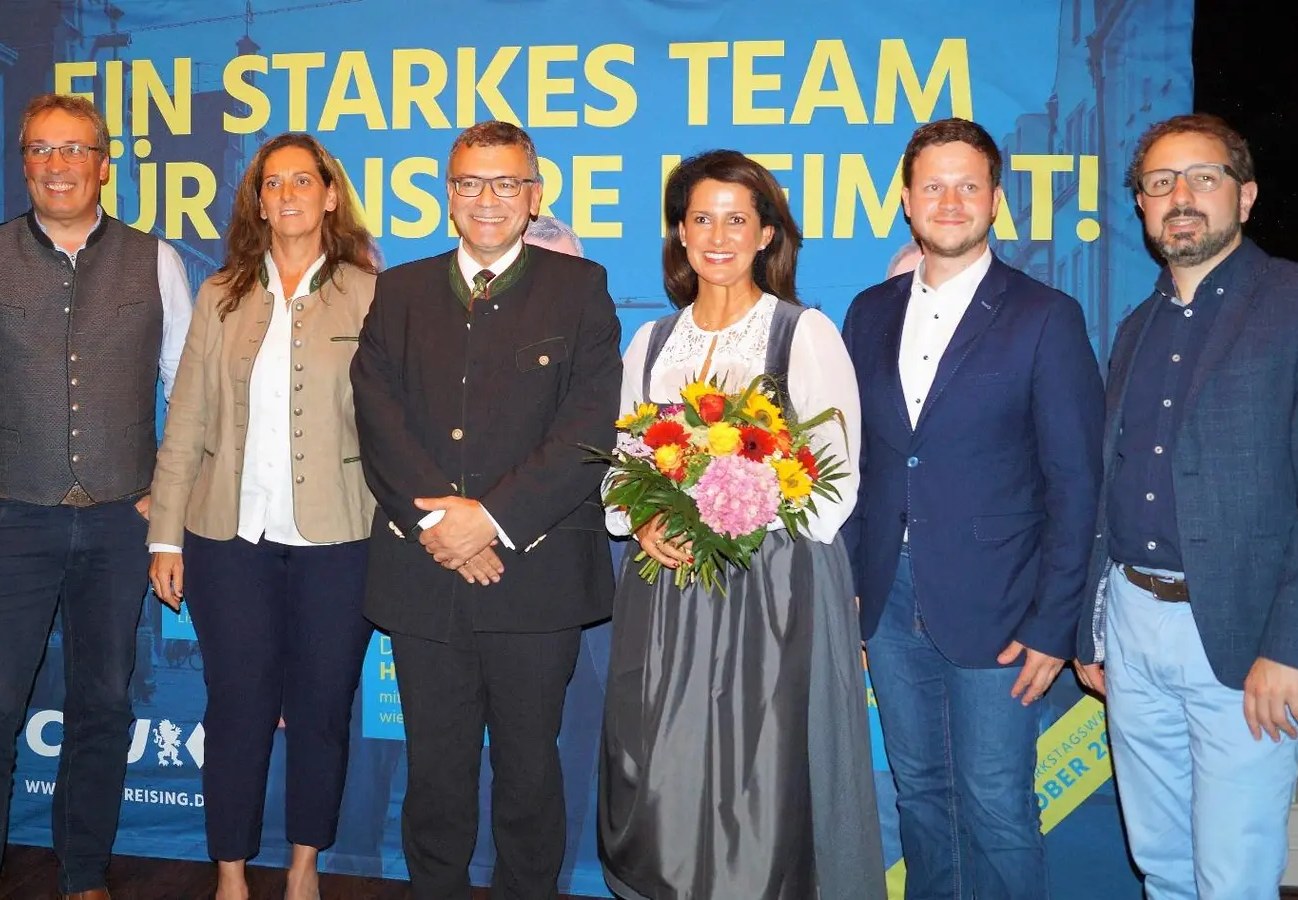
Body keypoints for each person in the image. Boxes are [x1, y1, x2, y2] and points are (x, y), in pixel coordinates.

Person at [1073, 113, 1298, 900]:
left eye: (1203, 177)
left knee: (1233, 873)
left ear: (1244, 196)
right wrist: (1093, 627)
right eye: (1160, 182)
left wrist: (1292, 648)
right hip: (1134, 630)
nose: (1181, 196)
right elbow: (1110, 489)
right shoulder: (1136, 328)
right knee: (1163, 862)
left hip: (1248, 638)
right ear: (1140, 206)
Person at [0, 93, 191, 900]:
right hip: (4, 520)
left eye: (74, 150)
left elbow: (194, 395)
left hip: (117, 526)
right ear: (25, 161)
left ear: (105, 165)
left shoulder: (156, 260)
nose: (57, 164)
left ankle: (86, 875)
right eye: (40, 149)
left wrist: (167, 498)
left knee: (103, 707)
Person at [598, 149, 883, 900]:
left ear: (766, 235)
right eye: (701, 219)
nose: (717, 236)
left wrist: (738, 517)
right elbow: (622, 470)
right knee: (662, 772)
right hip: (666, 597)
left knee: (762, 782)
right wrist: (643, 523)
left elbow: (836, 478)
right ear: (679, 234)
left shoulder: (804, 334)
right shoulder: (650, 343)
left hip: (771, 596)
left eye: (737, 219)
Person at [350, 120, 621, 900]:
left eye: (507, 183)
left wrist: (490, 521)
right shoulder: (400, 289)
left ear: (535, 196)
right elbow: (376, 412)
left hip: (534, 580)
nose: (488, 199)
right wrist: (442, 526)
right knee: (434, 774)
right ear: (448, 197)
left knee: (530, 775)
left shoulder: (580, 288)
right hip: (424, 574)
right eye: (470, 182)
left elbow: (586, 427)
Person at [840, 118, 1105, 900]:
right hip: (888, 603)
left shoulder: (1043, 316)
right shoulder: (869, 311)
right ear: (906, 200)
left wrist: (1054, 624)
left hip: (1002, 608)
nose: (949, 201)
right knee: (920, 795)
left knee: (996, 805)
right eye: (933, 185)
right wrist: (855, 590)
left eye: (967, 185)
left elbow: (1076, 485)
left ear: (994, 200)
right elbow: (857, 464)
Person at [145, 132, 380, 900]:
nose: (285, 195)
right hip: (227, 541)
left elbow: (390, 423)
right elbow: (185, 423)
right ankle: (231, 872)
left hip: (338, 540)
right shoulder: (220, 295)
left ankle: (305, 868)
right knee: (237, 708)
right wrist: (165, 535)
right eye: (270, 183)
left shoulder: (370, 292)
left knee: (321, 711)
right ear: (257, 201)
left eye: (301, 181)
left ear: (329, 195)